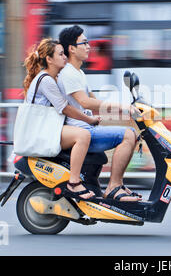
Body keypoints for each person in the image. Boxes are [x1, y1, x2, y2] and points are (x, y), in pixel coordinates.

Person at [58, 25, 141, 202]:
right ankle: (114, 187)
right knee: (128, 135)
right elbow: (85, 101)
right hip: (82, 131)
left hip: (88, 127)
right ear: (72, 48)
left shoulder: (78, 72)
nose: (89, 47)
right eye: (84, 43)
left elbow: (94, 101)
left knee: (131, 133)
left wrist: (123, 108)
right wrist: (121, 107)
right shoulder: (68, 74)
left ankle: (117, 184)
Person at [23, 38, 101, 200]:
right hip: (41, 133)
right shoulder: (46, 80)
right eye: (60, 54)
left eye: (64, 54)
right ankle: (73, 182)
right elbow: (65, 108)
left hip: (47, 129)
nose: (65, 57)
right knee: (83, 135)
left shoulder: (53, 79)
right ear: (49, 59)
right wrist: (89, 120)